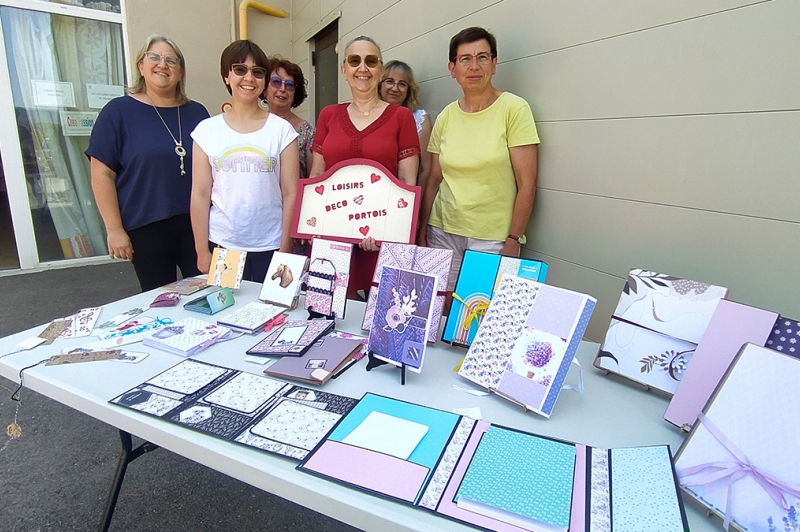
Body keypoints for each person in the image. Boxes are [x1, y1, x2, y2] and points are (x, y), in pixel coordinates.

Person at [417, 26, 539, 294]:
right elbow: (434, 180)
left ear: (494, 64)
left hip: (492, 238)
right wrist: (422, 231)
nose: (474, 66)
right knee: (441, 308)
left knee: (478, 313)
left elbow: (527, 183)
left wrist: (513, 240)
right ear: (452, 68)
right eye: (465, 59)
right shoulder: (447, 116)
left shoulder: (513, 109)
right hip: (442, 231)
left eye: (482, 57)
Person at [87, 35, 210, 292]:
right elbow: (102, 174)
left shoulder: (197, 113)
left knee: (207, 293)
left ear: (181, 71)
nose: (162, 65)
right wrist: (114, 229)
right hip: (146, 228)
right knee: (161, 301)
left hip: (197, 224)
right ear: (141, 66)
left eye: (170, 60)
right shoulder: (118, 112)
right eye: (154, 57)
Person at [309, 36, 420, 297]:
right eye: (354, 61)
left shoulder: (401, 118)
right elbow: (317, 173)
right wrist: (312, 225)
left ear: (380, 70)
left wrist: (386, 231)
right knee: (327, 311)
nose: (362, 68)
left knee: (381, 317)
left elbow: (407, 180)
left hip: (381, 240)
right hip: (332, 234)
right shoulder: (328, 115)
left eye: (370, 61)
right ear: (344, 70)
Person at [190, 40, 299, 283]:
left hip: (271, 245)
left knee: (271, 315)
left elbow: (291, 193)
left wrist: (285, 247)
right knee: (225, 311)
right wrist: (202, 250)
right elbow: (200, 194)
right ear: (226, 76)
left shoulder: (282, 130)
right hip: (224, 245)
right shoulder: (207, 130)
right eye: (240, 69)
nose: (249, 78)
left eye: (257, 72)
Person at [379, 60, 432, 188]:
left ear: (409, 90)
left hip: (405, 196)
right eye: (389, 81)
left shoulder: (419, 119)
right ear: (379, 85)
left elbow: (426, 169)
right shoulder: (366, 116)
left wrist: (417, 204)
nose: (395, 88)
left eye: (402, 84)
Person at [264, 57, 315, 179]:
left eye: (289, 85)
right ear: (264, 88)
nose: (282, 89)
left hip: (297, 197)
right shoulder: (253, 126)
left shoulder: (307, 131)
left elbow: (314, 177)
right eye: (276, 82)